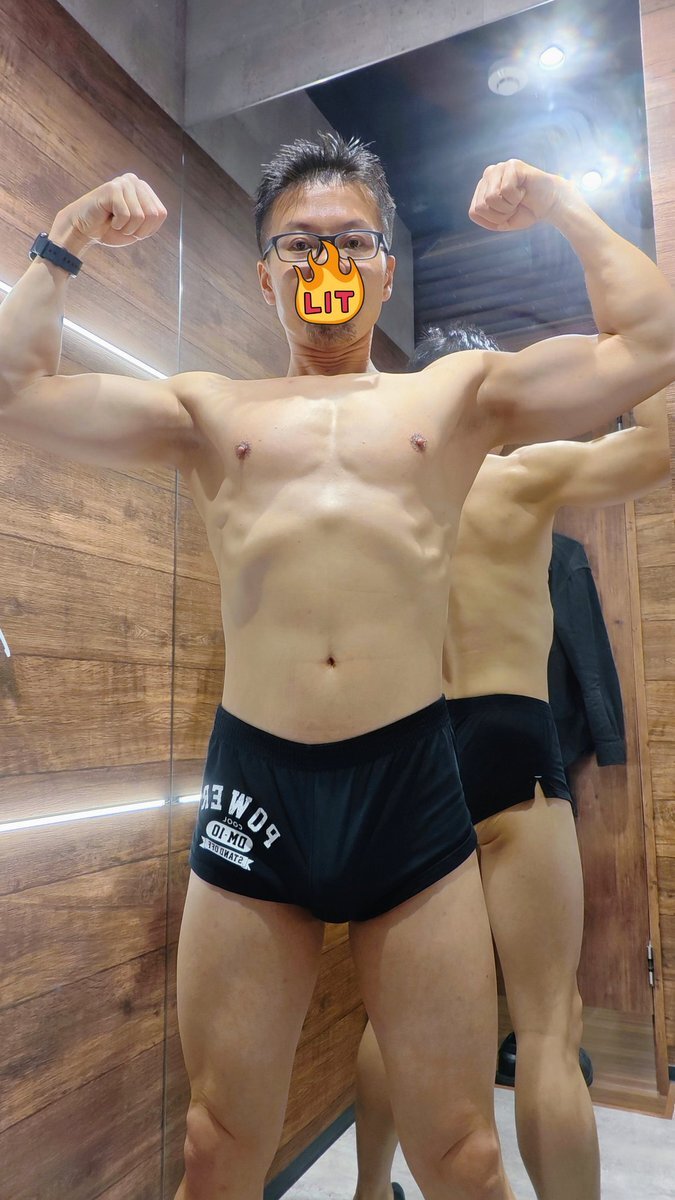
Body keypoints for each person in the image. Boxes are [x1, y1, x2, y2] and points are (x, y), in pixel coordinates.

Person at [1, 134, 674, 1200]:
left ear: (386, 271)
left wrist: (559, 203)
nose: (328, 262)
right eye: (300, 244)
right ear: (265, 276)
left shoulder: (456, 397)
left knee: (462, 1155)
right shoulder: (208, 409)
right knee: (216, 1145)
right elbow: (13, 392)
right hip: (256, 785)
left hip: (410, 780)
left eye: (353, 241)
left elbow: (653, 341)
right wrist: (66, 236)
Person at [352, 322, 669, 1200]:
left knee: (391, 1018)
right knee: (546, 1027)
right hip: (512, 737)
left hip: (409, 746)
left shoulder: (376, 497)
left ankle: (368, 1192)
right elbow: (659, 446)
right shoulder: (524, 475)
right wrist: (636, 347)